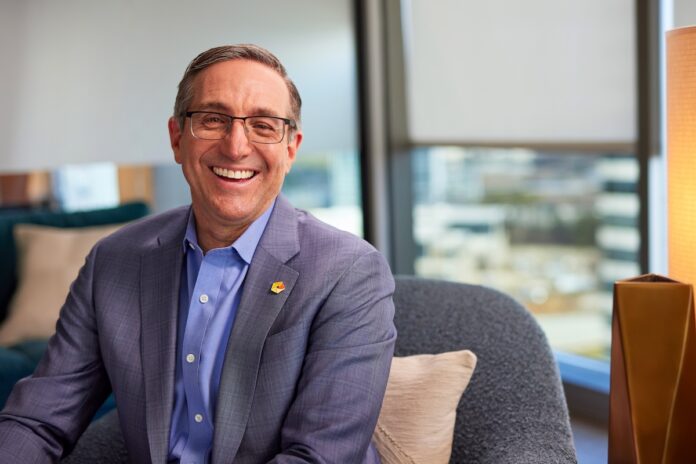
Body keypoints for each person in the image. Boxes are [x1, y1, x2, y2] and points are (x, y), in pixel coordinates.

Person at [0, 44, 396, 464]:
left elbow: (319, 456)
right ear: (177, 138)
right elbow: (37, 420)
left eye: (263, 125)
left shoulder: (348, 272)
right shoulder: (114, 261)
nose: (236, 146)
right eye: (212, 120)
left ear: (290, 149)